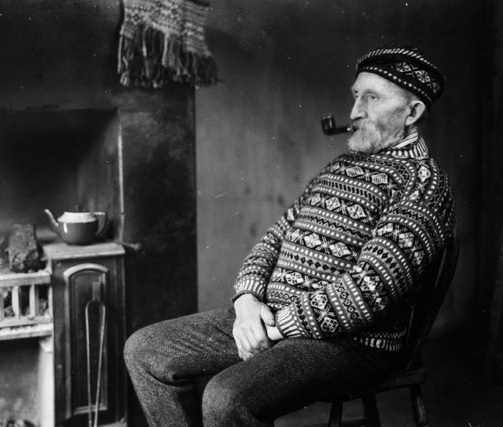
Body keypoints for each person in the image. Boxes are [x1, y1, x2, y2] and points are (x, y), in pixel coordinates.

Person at [123, 46, 456, 426]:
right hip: (272, 318)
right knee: (146, 350)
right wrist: (247, 301)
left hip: (351, 343)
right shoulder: (342, 166)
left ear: (412, 113)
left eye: (372, 98)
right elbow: (274, 238)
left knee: (225, 398)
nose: (354, 111)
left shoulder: (423, 186)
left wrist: (277, 326)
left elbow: (368, 291)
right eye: (355, 95)